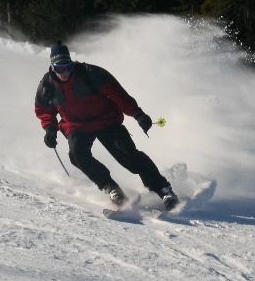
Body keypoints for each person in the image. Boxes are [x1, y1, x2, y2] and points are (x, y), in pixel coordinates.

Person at [34, 40, 179, 210]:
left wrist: (137, 114)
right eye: (59, 68)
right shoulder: (47, 86)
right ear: (52, 67)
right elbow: (44, 110)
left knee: (129, 157)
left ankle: (164, 189)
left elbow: (118, 95)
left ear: (71, 63)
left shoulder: (90, 73)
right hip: (76, 125)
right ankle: (111, 189)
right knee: (77, 155)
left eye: (67, 66)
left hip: (106, 120)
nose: (64, 72)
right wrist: (50, 129)